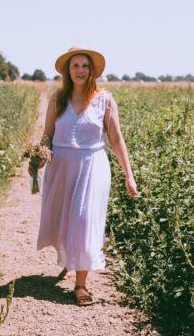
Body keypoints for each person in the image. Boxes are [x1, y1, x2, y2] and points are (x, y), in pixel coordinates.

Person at [31, 45, 139, 306]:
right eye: (75, 66)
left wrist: (129, 174)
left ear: (92, 71)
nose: (80, 70)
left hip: (92, 166)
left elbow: (116, 139)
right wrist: (39, 157)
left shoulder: (105, 100)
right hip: (61, 166)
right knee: (64, 218)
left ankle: (80, 285)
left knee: (84, 220)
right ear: (68, 71)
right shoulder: (58, 99)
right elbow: (48, 134)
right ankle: (70, 260)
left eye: (85, 66)